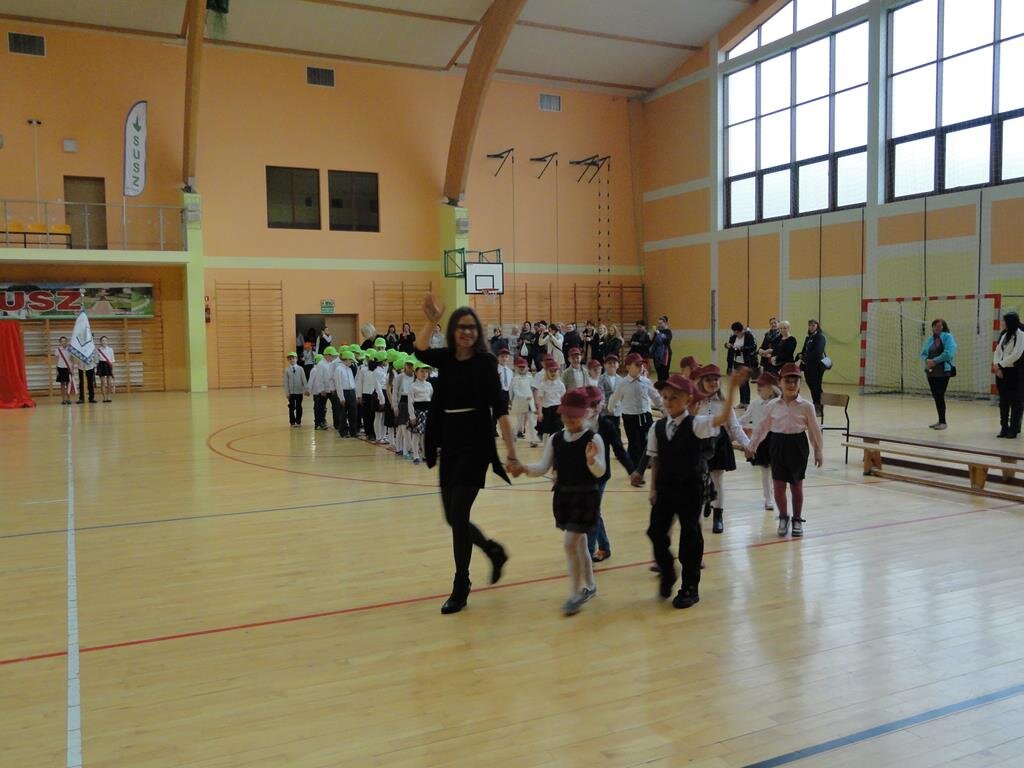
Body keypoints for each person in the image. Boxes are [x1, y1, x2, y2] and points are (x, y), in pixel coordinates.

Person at [414, 296, 516, 615]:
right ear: (453, 331)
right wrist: (431, 320)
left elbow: (500, 409)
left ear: (478, 332)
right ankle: (492, 550)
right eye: (461, 327)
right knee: (452, 517)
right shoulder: (445, 358)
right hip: (450, 445)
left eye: (472, 327)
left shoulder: (486, 362)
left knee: (459, 514)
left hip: (476, 446)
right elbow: (419, 351)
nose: (467, 332)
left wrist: (512, 453)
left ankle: (461, 584)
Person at [647, 371, 746, 609]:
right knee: (656, 532)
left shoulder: (697, 424)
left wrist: (732, 388)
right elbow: (656, 461)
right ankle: (668, 572)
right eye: (665, 397)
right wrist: (653, 488)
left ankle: (690, 587)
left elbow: (722, 418)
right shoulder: (657, 428)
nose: (668, 401)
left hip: (690, 489)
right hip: (665, 489)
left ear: (688, 400)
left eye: (674, 397)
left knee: (690, 538)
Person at [511, 389, 604, 616]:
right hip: (564, 496)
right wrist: (524, 468)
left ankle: (575, 594)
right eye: (566, 415)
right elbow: (543, 467)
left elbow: (600, 472)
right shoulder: (556, 438)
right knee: (580, 544)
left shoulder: (593, 439)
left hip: (585, 497)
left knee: (570, 543)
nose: (569, 419)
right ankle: (590, 585)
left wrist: (592, 460)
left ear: (584, 414)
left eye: (574, 415)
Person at [747, 363, 824, 537]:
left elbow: (814, 430)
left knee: (796, 486)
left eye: (795, 381)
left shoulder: (807, 406)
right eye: (787, 381)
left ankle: (797, 519)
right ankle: (783, 517)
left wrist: (818, 450)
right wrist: (752, 445)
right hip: (777, 445)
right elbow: (762, 427)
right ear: (780, 382)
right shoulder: (772, 405)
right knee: (779, 486)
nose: (791, 385)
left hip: (798, 446)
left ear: (800, 383)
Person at [693, 364, 751, 534]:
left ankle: (718, 516)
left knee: (717, 479)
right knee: (700, 480)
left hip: (719, 444)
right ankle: (706, 499)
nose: (713, 383)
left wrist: (747, 444)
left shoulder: (724, 403)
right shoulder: (695, 403)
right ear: (702, 382)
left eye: (716, 379)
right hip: (700, 444)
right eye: (709, 380)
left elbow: (735, 426)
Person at [582, 385, 634, 563]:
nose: (591, 408)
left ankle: (589, 553)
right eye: (587, 404)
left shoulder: (607, 425)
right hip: (582, 475)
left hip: (600, 476)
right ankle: (604, 546)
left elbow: (619, 450)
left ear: (601, 404)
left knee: (591, 512)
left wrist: (632, 470)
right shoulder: (578, 424)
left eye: (594, 404)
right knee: (592, 511)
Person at [607, 352, 663, 472]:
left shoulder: (646, 381)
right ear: (628, 367)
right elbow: (614, 397)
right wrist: (611, 409)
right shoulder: (623, 383)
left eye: (641, 365)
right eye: (637, 365)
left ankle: (646, 461)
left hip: (646, 415)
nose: (640, 367)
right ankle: (636, 468)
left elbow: (655, 396)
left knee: (647, 440)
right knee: (634, 443)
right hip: (630, 418)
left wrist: (663, 408)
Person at [738, 372, 781, 510]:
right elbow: (743, 419)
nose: (758, 388)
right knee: (765, 470)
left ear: (772, 388)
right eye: (758, 385)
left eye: (762, 386)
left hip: (777, 440)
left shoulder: (780, 403)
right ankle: (768, 499)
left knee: (778, 471)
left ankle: (779, 497)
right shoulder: (755, 404)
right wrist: (730, 424)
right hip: (761, 441)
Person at [920, 318, 957, 430]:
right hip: (931, 372)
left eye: (939, 326)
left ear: (943, 327)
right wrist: (927, 360)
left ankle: (943, 422)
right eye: (934, 326)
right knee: (936, 396)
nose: (936, 328)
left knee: (940, 395)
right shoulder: (930, 339)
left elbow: (948, 353)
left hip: (943, 371)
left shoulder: (948, 337)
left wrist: (934, 361)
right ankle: (940, 420)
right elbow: (923, 353)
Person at [994, 310, 1024, 438]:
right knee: (1003, 402)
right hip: (1002, 372)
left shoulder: (1021, 335)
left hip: (1015, 373)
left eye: (1004, 321)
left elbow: (1017, 353)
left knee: (1016, 402)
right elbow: (997, 351)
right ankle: (1004, 427)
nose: (1002, 323)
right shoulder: (1004, 334)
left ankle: (1013, 428)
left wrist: (1001, 364)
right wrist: (997, 366)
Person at [797, 319, 827, 416]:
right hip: (808, 366)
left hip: (817, 366)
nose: (811, 327)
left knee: (816, 387)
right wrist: (799, 355)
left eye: (813, 325)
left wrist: (805, 357)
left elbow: (818, 352)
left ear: (817, 326)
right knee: (812, 386)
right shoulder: (808, 337)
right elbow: (804, 350)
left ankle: (819, 408)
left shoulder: (820, 337)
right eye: (809, 325)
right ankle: (815, 405)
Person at [534, 357, 566, 444]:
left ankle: (555, 446)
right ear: (546, 371)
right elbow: (540, 399)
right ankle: (545, 447)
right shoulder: (543, 385)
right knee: (545, 431)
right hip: (547, 410)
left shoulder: (560, 384)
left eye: (555, 371)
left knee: (557, 430)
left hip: (558, 410)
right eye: (551, 371)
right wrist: (540, 412)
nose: (553, 373)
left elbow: (563, 399)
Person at [406, 361, 433, 464]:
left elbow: (432, 399)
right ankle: (415, 456)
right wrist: (412, 416)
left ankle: (425, 455)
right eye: (422, 371)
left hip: (427, 413)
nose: (424, 374)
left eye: (426, 372)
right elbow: (410, 403)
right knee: (416, 435)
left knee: (425, 435)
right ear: (416, 372)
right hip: (418, 413)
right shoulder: (413, 386)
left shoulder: (429, 385)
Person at [725, 321, 758, 406]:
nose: (736, 333)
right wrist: (727, 345)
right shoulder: (733, 337)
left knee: (745, 382)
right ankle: (741, 402)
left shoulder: (749, 336)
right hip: (737, 362)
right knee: (740, 382)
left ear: (739, 330)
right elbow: (729, 346)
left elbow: (753, 347)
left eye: (736, 331)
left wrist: (741, 348)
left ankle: (747, 402)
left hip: (746, 361)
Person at [356, 349, 385, 443]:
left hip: (375, 394)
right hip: (366, 394)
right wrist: (359, 396)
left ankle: (377, 433)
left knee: (375, 415)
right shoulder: (363, 369)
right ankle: (369, 433)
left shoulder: (379, 370)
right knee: (367, 415)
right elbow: (359, 382)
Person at [510, 356, 537, 445]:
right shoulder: (515, 379)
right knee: (520, 421)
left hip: (529, 402)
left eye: (523, 367)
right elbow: (516, 391)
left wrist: (534, 398)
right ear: (517, 368)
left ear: (527, 367)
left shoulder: (529, 377)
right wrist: (524, 397)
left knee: (532, 421)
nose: (522, 368)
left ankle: (533, 440)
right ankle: (514, 433)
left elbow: (533, 388)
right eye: (520, 367)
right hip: (521, 402)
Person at [334, 348, 359, 437]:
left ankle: (353, 431)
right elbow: (338, 384)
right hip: (343, 392)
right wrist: (341, 397)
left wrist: (356, 395)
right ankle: (343, 432)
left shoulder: (349, 369)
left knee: (353, 413)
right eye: (351, 361)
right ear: (347, 359)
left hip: (351, 392)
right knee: (343, 413)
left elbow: (353, 382)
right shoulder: (338, 369)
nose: (352, 363)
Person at [284, 352, 307, 428]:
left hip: (299, 391)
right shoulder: (287, 370)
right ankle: (292, 422)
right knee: (291, 407)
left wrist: (306, 389)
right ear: (288, 360)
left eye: (293, 358)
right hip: (291, 392)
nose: (292, 360)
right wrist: (287, 393)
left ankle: (298, 421)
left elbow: (304, 380)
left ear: (296, 359)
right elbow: (286, 382)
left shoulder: (300, 369)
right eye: (290, 359)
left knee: (298, 406)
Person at [650, 316, 673, 382]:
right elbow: (652, 342)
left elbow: (667, 341)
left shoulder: (668, 331)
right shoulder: (657, 331)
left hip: (665, 354)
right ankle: (660, 386)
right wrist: (651, 335)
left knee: (665, 371)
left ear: (665, 323)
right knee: (659, 372)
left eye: (661, 323)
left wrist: (659, 334)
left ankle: (666, 386)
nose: (659, 325)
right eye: (658, 323)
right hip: (657, 354)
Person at [95, 335, 116, 403]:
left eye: (105, 340)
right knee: (102, 382)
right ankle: (104, 398)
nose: (104, 342)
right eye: (102, 340)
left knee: (109, 382)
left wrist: (113, 370)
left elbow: (112, 360)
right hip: (101, 365)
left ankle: (108, 397)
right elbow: (97, 360)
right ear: (100, 342)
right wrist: (97, 368)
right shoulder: (98, 350)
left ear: (107, 341)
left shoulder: (110, 349)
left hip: (108, 365)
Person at [54, 335, 73, 405]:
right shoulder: (57, 350)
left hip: (68, 368)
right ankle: (63, 399)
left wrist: (72, 369)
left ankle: (68, 399)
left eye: (65, 341)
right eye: (62, 341)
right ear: (60, 342)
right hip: (60, 368)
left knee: (68, 384)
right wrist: (56, 370)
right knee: (62, 385)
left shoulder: (70, 349)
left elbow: (72, 360)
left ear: (67, 342)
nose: (63, 342)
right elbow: (56, 361)